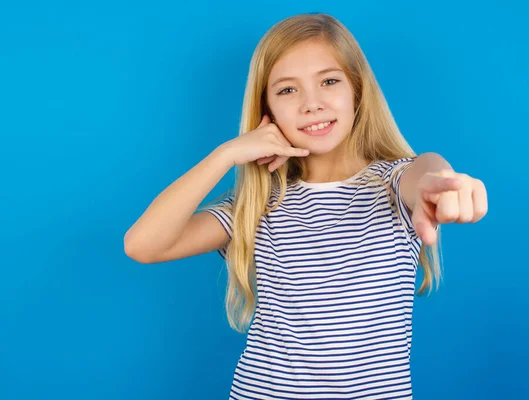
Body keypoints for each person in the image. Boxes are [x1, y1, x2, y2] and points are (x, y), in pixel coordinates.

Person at [124, 12, 488, 400]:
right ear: (267, 110)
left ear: (357, 92)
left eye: (329, 81)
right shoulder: (255, 206)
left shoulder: (395, 182)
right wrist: (226, 154)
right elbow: (143, 245)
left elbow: (426, 172)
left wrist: (442, 185)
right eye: (287, 90)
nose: (311, 104)